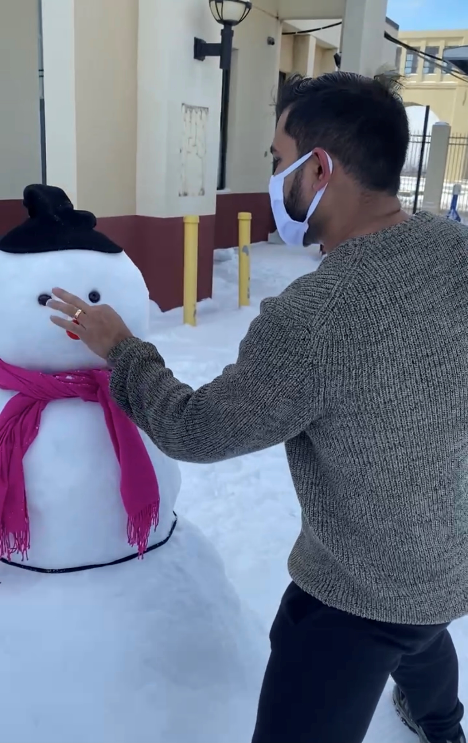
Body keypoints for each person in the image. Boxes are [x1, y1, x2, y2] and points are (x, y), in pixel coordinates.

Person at [47, 72, 468, 743]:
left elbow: (196, 428)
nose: (273, 179)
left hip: (353, 598)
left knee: (385, 641)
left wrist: (122, 350)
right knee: (422, 634)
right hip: (450, 560)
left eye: (278, 160)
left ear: (319, 169)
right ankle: (442, 725)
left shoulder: (316, 317)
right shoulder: (456, 251)